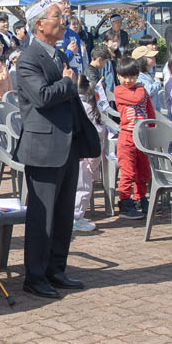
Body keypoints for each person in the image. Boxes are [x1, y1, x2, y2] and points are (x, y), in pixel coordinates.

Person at [14, 0, 97, 297]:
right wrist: (67, 83)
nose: (63, 21)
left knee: (63, 214)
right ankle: (35, 276)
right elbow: (42, 96)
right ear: (39, 24)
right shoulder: (28, 58)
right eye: (57, 17)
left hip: (67, 142)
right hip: (44, 146)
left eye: (63, 16)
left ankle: (56, 269)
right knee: (43, 216)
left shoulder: (58, 55)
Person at [112, 58, 153, 219]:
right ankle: (124, 201)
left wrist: (152, 129)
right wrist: (141, 88)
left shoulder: (142, 91)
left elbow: (150, 111)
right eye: (125, 77)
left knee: (143, 171)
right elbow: (137, 98)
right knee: (127, 171)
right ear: (118, 76)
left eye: (132, 77)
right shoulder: (119, 90)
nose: (128, 80)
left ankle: (140, 198)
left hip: (142, 137)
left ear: (137, 76)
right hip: (127, 137)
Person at [72, 75, 100, 235]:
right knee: (83, 188)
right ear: (88, 89)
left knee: (71, 187)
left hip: (71, 153)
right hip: (85, 154)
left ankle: (70, 216)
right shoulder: (88, 107)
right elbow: (97, 134)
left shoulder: (68, 105)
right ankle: (76, 218)